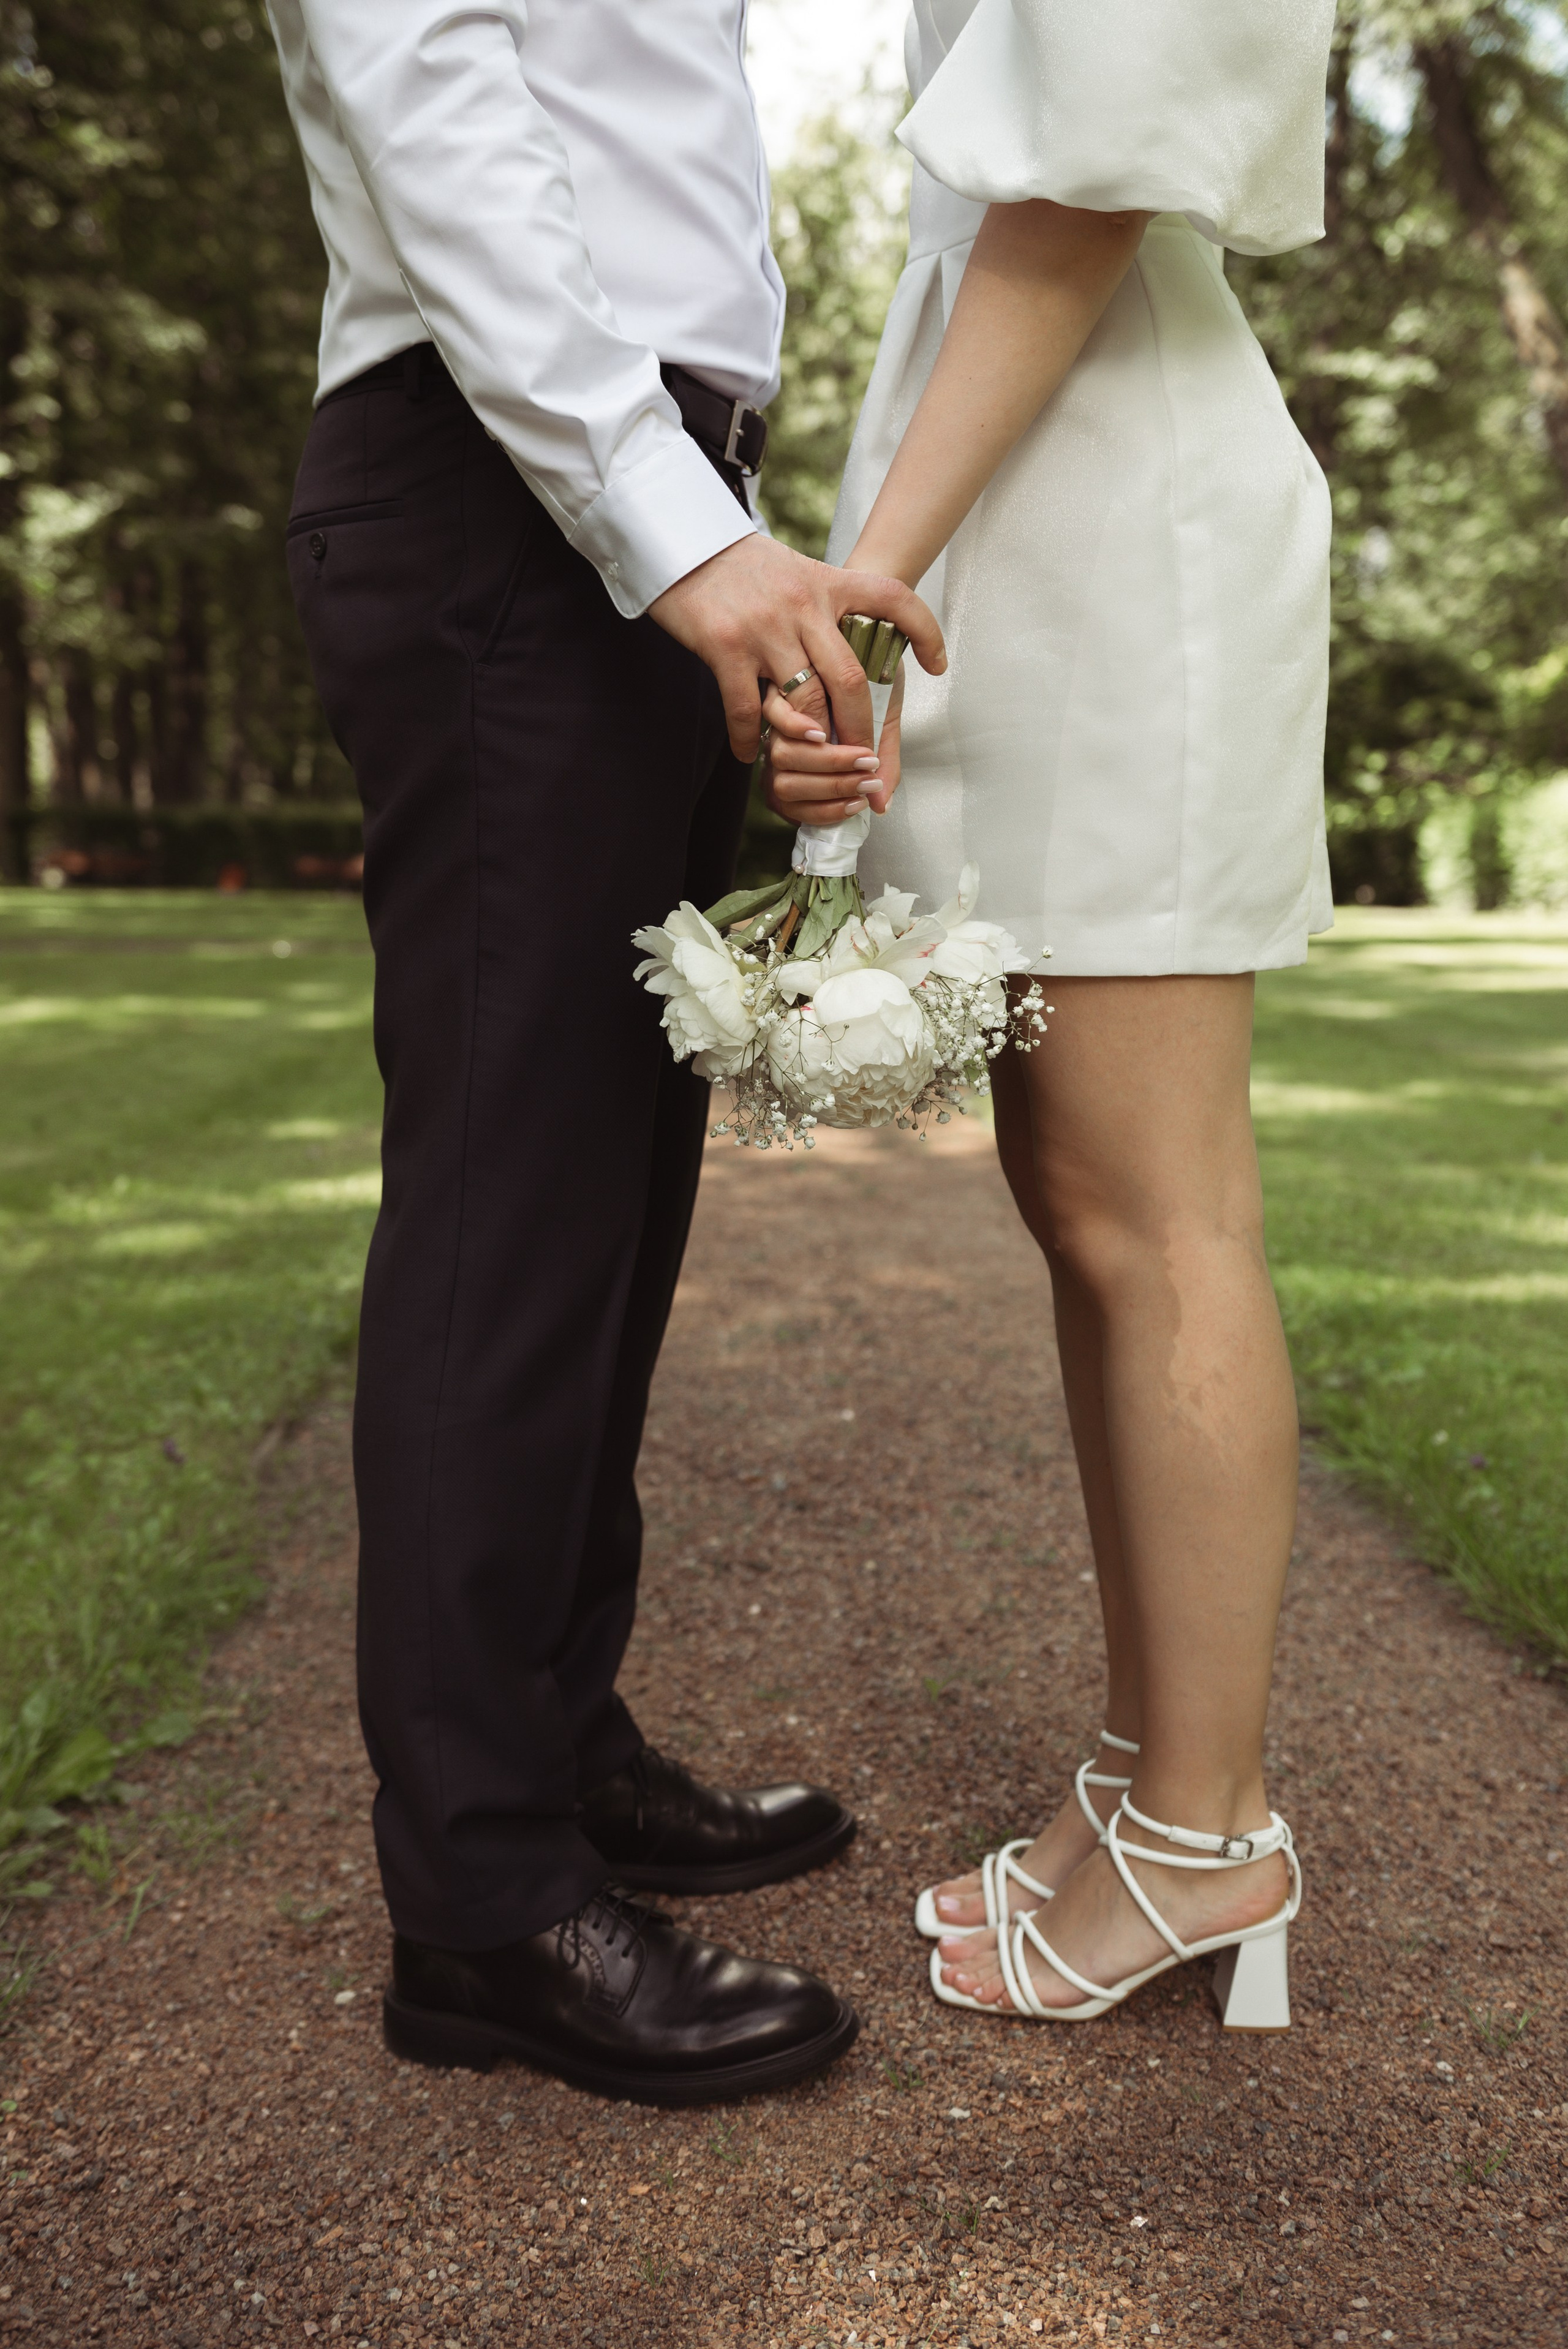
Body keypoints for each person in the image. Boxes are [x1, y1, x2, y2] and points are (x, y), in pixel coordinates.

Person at [266, 0, 943, 2103]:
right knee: (515, 1208)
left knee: (614, 1203)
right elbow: (429, 88)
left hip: (628, 489)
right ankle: (480, 1898)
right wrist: (670, 516)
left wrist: (717, 520)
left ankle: (549, 1739)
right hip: (510, 481)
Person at [763, 0, 1335, 2027]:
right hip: (1051, 479)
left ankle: (1210, 1831)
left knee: (1156, 1207)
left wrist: (869, 571)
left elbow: (1086, 169)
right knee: (1080, 1195)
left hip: (1117, 504)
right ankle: (1156, 1768)